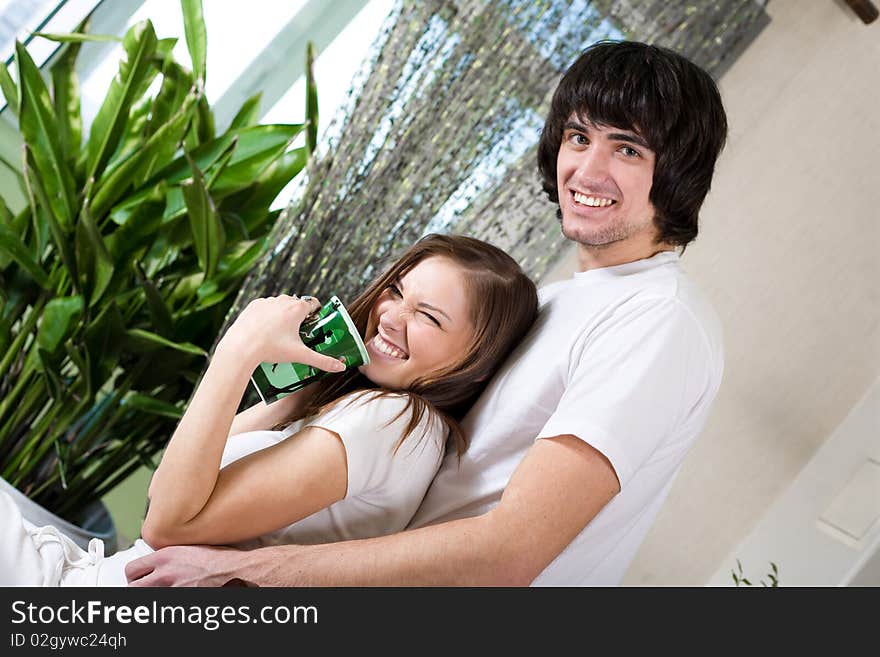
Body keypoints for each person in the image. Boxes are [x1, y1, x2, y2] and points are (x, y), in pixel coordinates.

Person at [126, 39, 728, 587]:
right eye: (578, 137)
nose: (587, 170)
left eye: (626, 148)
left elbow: (510, 550)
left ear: (675, 174)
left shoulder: (657, 322)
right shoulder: (561, 301)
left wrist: (252, 572)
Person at [0, 234, 538, 586]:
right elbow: (176, 484)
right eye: (396, 290)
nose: (391, 317)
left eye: (430, 317)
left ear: (476, 365)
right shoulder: (358, 404)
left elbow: (166, 523)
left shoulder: (395, 421)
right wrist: (310, 375)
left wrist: (239, 349)